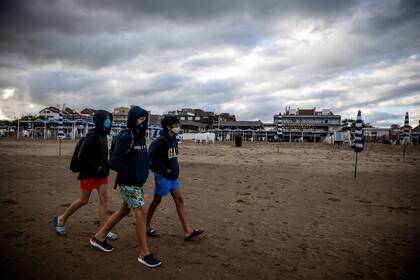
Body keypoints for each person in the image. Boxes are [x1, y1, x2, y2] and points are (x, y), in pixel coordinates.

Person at [90, 106, 161, 268]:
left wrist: (145, 170)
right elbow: (114, 162)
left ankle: (99, 237)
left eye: (144, 119)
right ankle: (144, 253)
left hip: (136, 181)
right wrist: (134, 175)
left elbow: (143, 157)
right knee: (141, 211)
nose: (142, 122)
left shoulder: (141, 136)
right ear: (132, 119)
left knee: (124, 210)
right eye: (139, 118)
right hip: (128, 182)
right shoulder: (126, 136)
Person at [52, 110, 118, 241]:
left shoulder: (104, 135)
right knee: (83, 200)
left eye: (109, 119)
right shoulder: (91, 135)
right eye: (106, 119)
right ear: (99, 120)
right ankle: (61, 219)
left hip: (102, 174)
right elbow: (82, 155)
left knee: (104, 198)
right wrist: (97, 166)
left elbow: (103, 154)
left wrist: (107, 165)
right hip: (89, 173)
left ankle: (103, 229)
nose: (108, 121)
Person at [146, 115, 204, 241]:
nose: (178, 127)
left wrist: (175, 170)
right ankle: (146, 225)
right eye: (176, 125)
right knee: (156, 201)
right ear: (168, 127)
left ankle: (187, 231)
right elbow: (153, 159)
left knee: (180, 201)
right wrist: (165, 169)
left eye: (178, 125)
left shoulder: (174, 139)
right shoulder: (160, 140)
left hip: (173, 178)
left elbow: (173, 157)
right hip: (162, 177)